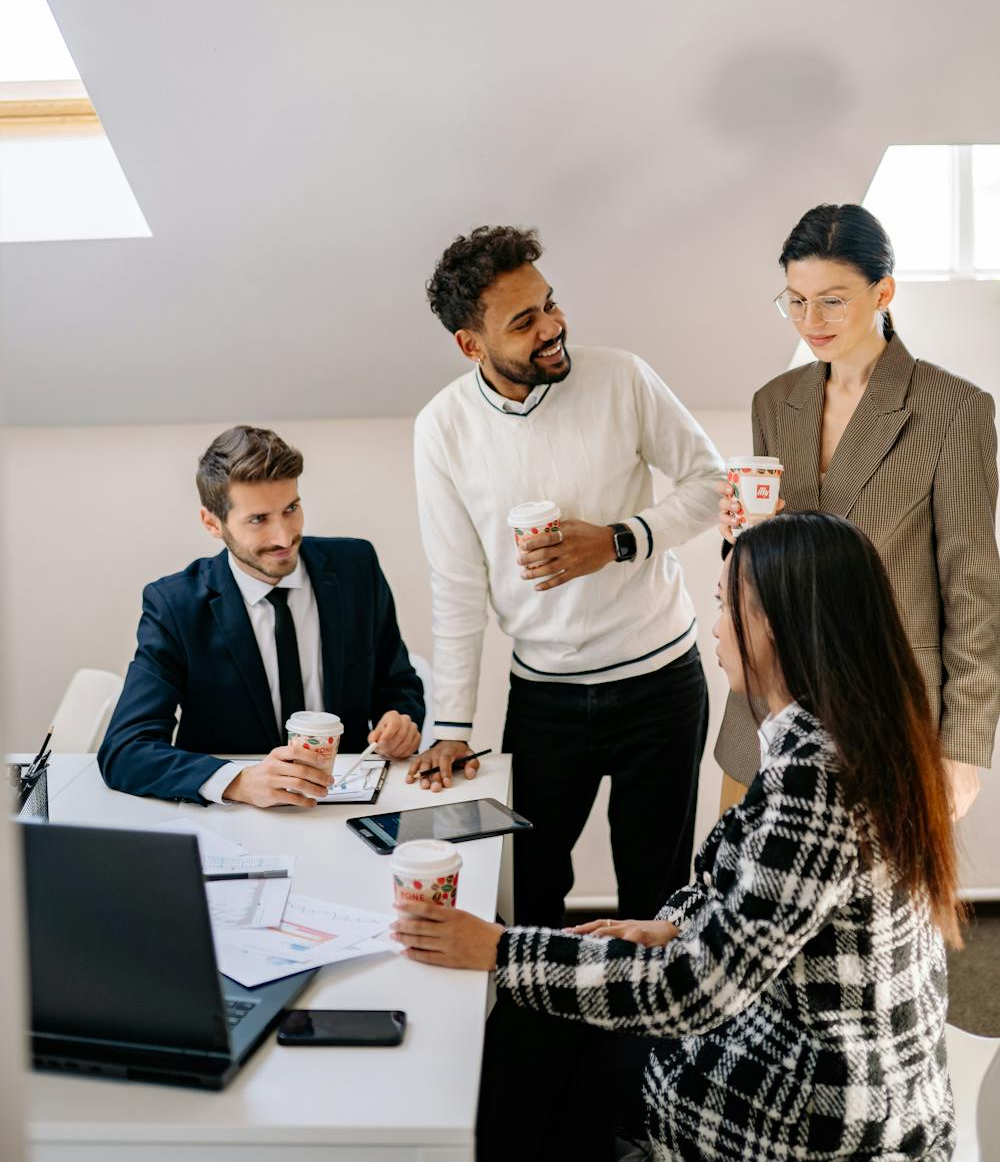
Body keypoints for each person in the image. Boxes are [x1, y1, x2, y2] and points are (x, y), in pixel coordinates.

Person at [393, 513, 961, 1162]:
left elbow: (691, 993)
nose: (714, 626)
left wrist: (500, 949)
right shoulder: (852, 733)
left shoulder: (817, 777)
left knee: (540, 1051)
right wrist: (668, 927)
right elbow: (748, 890)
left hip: (819, 1109)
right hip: (854, 1069)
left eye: (725, 606)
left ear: (776, 625)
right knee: (551, 1033)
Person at [411, 225, 723, 926]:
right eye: (525, 322)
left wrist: (620, 540)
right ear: (471, 345)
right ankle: (545, 1032)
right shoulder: (442, 429)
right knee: (531, 884)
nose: (553, 328)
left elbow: (710, 483)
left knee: (658, 889)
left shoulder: (623, 377)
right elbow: (456, 583)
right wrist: (451, 726)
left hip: (661, 684)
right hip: (546, 698)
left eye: (550, 304)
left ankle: (653, 1039)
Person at [716, 203, 1000, 818]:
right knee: (736, 901)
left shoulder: (955, 409)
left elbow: (973, 586)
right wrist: (740, 537)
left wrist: (962, 751)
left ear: (884, 292)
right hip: (769, 707)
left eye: (832, 300)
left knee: (875, 910)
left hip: (886, 710)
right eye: (794, 300)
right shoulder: (776, 401)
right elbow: (765, 564)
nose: (809, 320)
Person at [98, 425, 424, 805]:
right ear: (212, 523)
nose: (285, 537)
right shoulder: (175, 605)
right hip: (231, 825)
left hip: (345, 804)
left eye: (291, 509)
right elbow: (125, 750)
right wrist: (237, 781)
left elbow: (397, 682)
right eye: (258, 520)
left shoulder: (357, 568)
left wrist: (400, 719)